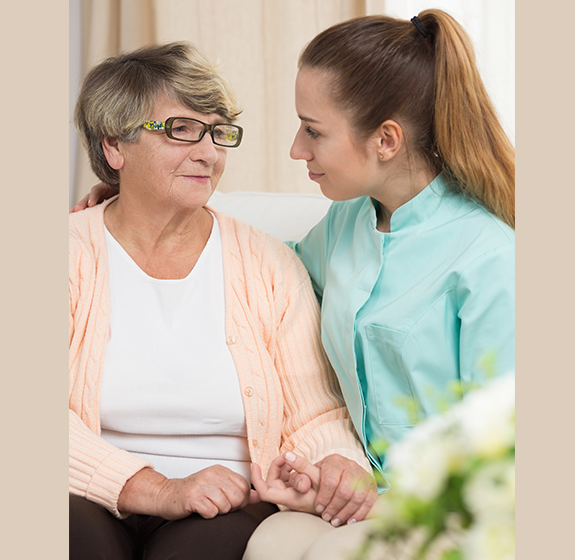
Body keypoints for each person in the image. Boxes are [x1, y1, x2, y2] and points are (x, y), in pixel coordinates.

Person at [74, 9, 515, 558]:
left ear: (386, 140)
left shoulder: (489, 258)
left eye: (313, 130)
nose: (295, 149)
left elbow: (503, 449)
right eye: (182, 131)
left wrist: (356, 482)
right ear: (115, 145)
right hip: (352, 492)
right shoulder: (347, 225)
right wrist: (123, 202)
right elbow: (262, 278)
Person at [68, 42, 375, 560]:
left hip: (229, 499)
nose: (209, 153)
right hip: (87, 492)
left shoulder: (269, 264)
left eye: (218, 132)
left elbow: (314, 414)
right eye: (181, 129)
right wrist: (156, 488)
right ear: (114, 148)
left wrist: (338, 464)